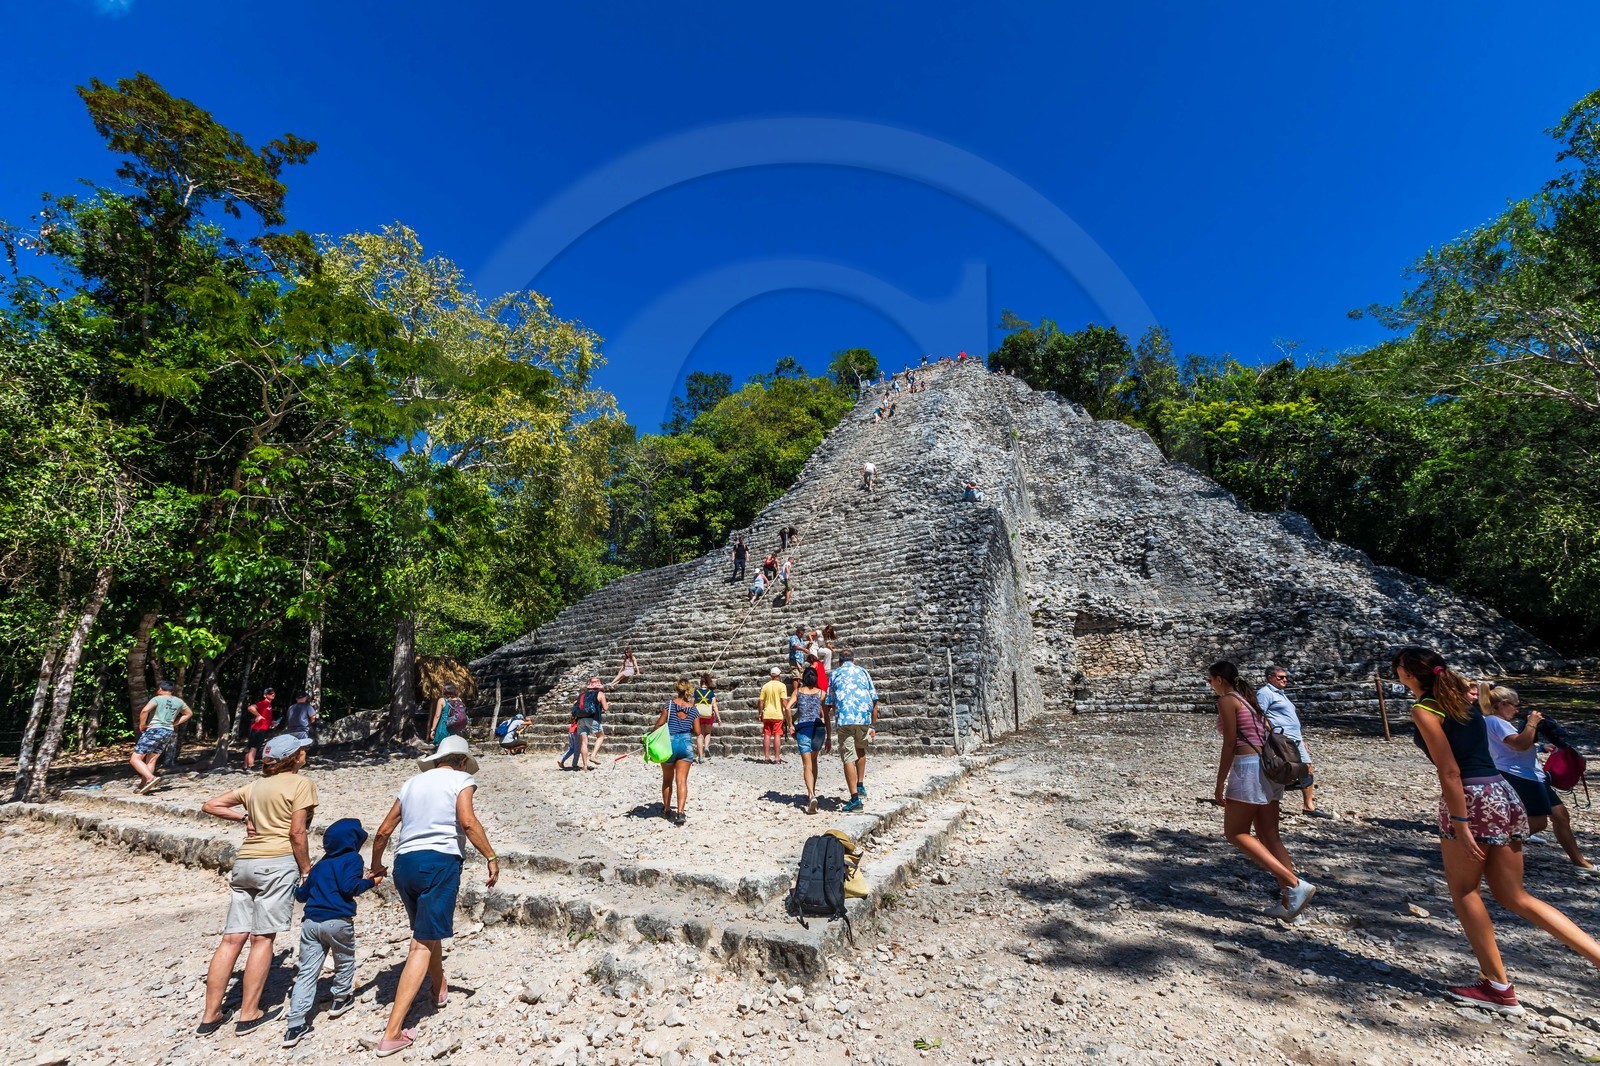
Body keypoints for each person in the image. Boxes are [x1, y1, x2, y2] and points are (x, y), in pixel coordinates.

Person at [1395, 646, 1600, 1015]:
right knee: (1515, 895)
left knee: (1464, 891)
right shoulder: (1464, 701)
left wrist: (1460, 823)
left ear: (1407, 673)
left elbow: (1450, 770)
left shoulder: (1425, 709)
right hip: (1501, 792)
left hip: (1470, 798)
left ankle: (1498, 987)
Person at [369, 736, 499, 1057]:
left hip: (404, 864)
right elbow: (467, 821)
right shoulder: (461, 780)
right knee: (421, 944)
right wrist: (491, 856)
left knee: (425, 932)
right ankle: (392, 1033)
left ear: (439, 759)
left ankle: (438, 986)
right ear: (462, 761)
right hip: (439, 862)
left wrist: (376, 864)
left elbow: (384, 830)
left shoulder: (411, 783)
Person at [198, 734, 317, 1036]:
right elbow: (297, 832)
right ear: (294, 757)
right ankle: (249, 1013)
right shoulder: (301, 784)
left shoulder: (254, 786)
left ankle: (210, 1016)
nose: (305, 753)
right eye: (302, 750)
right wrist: (307, 869)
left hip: (246, 863)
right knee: (262, 939)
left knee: (231, 939)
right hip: (277, 863)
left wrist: (243, 818)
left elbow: (210, 804)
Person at [1208, 661, 1316, 920]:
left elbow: (1230, 743)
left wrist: (1220, 782)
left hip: (1248, 768)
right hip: (1268, 769)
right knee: (1270, 836)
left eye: (1209, 680)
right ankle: (1291, 906)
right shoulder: (1249, 699)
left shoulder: (1227, 700)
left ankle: (1295, 884)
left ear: (1219, 679)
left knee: (1235, 832)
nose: (1209, 685)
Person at [282, 818, 379, 1048]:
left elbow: (302, 895)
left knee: (307, 971)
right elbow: (350, 887)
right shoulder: (353, 859)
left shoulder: (321, 864)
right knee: (344, 961)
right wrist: (371, 882)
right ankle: (340, 999)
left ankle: (295, 1024)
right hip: (338, 921)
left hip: (311, 923)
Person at [1482, 684, 1596, 872]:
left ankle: (1579, 862)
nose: (1517, 710)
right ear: (1503, 704)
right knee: (1537, 822)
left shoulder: (1497, 722)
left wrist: (1540, 747)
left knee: (1561, 816)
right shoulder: (1495, 721)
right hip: (1519, 775)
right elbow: (1519, 744)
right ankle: (1491, 849)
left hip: (1532, 775)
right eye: (1515, 705)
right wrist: (1532, 723)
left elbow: (1512, 746)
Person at [1256, 666, 1329, 818]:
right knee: (1284, 767)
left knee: (1307, 768)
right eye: (1281, 677)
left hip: (1295, 738)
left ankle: (1308, 806)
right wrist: (1271, 731)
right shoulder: (1265, 693)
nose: (1285, 680)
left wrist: (1301, 738)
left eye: (1285, 677)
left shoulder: (1281, 694)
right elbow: (1259, 714)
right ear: (1270, 677)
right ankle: (1268, 801)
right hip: (1282, 738)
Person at [825, 649, 878, 812]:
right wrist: (873, 726)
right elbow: (874, 700)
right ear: (854, 660)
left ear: (839, 662)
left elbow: (829, 702)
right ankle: (860, 786)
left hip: (845, 719)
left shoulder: (835, 674)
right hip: (863, 717)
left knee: (848, 756)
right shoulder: (863, 671)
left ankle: (855, 800)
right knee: (860, 748)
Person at [130, 679, 193, 794]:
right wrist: (175, 723)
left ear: (160, 689)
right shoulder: (179, 701)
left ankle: (151, 778)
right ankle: (143, 786)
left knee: (135, 759)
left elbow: (145, 711)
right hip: (168, 731)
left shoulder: (157, 699)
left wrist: (142, 725)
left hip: (154, 729)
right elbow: (189, 713)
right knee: (151, 760)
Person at [651, 679, 698, 826]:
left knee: (667, 779)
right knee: (681, 780)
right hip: (685, 744)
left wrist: (651, 734)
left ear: (677, 689)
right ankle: (680, 812)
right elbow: (697, 731)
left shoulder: (669, 705)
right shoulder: (693, 709)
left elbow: (660, 723)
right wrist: (686, 729)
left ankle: (666, 809)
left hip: (669, 743)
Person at [787, 666, 831, 815]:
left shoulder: (798, 692)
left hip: (804, 729)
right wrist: (829, 737)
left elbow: (787, 708)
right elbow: (826, 716)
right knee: (814, 761)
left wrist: (791, 725)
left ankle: (811, 794)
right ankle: (814, 791)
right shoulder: (822, 693)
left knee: (806, 764)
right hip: (818, 729)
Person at [572, 678, 607, 771]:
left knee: (584, 742)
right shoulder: (600, 694)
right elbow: (606, 708)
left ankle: (584, 766)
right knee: (600, 736)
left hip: (580, 719)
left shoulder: (582, 695)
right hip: (593, 718)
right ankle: (593, 755)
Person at [759, 667, 790, 764]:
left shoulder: (765, 686)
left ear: (771, 675)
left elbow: (761, 701)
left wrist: (760, 713)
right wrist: (788, 711)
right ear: (779, 675)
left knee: (767, 734)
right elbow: (784, 700)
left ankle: (766, 757)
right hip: (777, 714)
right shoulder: (782, 686)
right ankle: (777, 757)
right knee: (777, 734)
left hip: (767, 713)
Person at [244, 687, 276, 771]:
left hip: (263, 728)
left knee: (251, 748)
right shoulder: (263, 703)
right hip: (258, 729)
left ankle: (245, 766)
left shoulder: (269, 705)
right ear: (265, 695)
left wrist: (271, 722)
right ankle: (251, 766)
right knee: (254, 747)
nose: (272, 694)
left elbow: (266, 717)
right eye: (270, 693)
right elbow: (250, 708)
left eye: (273, 693)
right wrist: (258, 715)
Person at [692, 673, 719, 762]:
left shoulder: (696, 692)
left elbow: (692, 704)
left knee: (699, 736)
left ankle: (700, 757)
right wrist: (719, 718)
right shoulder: (711, 693)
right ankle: (706, 747)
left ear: (701, 682)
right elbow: (714, 706)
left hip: (698, 715)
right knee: (707, 733)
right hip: (708, 715)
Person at [786, 624, 809, 694]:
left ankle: (798, 691)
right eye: (801, 633)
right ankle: (795, 692)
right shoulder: (793, 638)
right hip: (794, 659)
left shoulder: (801, 640)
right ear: (797, 632)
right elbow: (795, 646)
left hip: (800, 660)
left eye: (802, 634)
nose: (802, 635)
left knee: (800, 676)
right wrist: (804, 649)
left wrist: (808, 646)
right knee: (796, 676)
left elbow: (803, 648)